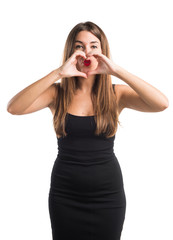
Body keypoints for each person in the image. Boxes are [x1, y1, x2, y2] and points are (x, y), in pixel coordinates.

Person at [7, 21, 169, 240]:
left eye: (94, 46)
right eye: (79, 46)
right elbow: (14, 108)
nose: (87, 52)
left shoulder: (116, 94)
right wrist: (58, 73)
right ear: (71, 52)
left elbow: (161, 104)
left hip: (108, 196)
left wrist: (116, 70)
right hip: (65, 195)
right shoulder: (57, 94)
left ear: (102, 52)